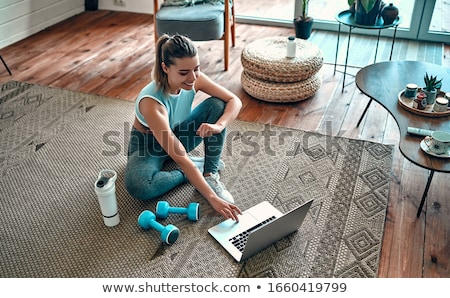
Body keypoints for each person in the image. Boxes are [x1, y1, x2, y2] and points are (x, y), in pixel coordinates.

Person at [124, 34, 242, 221]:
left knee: (217, 105)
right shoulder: (151, 103)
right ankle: (191, 171)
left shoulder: (195, 79)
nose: (193, 77)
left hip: (177, 133)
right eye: (184, 72)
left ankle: (209, 172)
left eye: (196, 69)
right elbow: (180, 157)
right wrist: (212, 199)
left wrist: (219, 126)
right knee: (139, 185)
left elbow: (233, 100)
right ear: (165, 68)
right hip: (148, 146)